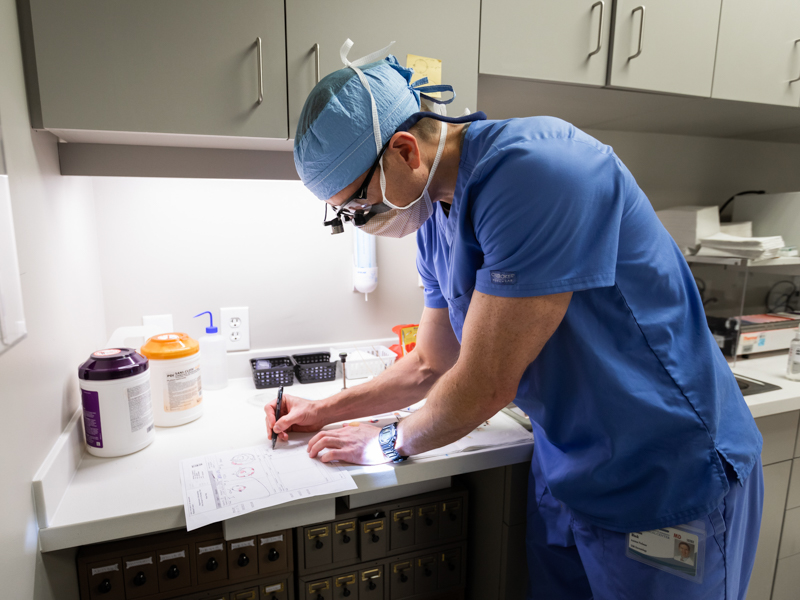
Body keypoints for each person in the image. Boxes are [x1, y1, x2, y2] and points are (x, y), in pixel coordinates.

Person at [265, 40, 764, 599]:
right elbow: (432, 362)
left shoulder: (541, 172)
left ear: (406, 152)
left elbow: (483, 383)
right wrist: (322, 410)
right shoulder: (433, 214)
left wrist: (384, 442)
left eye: (358, 206)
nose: (359, 223)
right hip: (572, 470)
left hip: (664, 471)